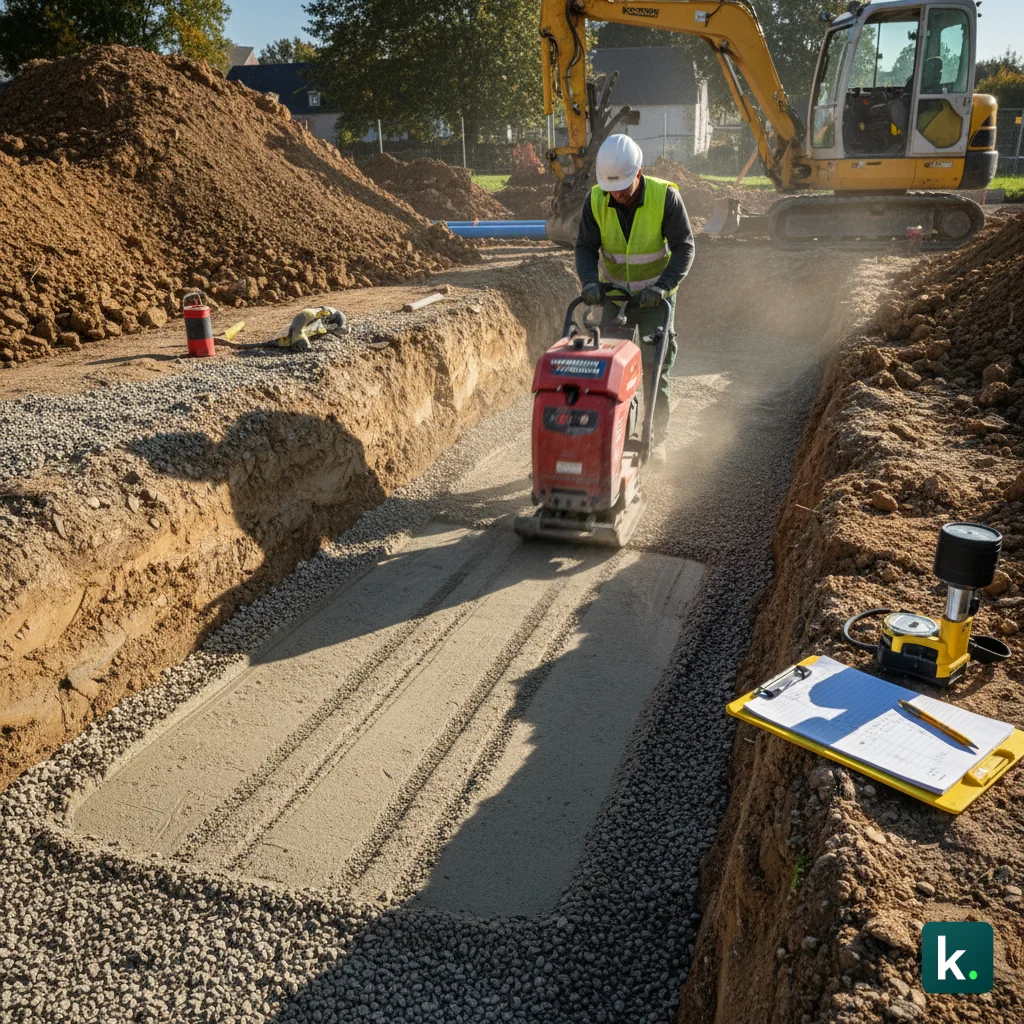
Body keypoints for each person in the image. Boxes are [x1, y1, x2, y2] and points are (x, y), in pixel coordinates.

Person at [575, 134, 695, 464]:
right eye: (611, 189)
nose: (617, 195)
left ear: (638, 174)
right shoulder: (596, 199)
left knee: (655, 368)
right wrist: (590, 282)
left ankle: (655, 439)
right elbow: (585, 247)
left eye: (624, 188)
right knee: (610, 369)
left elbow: (685, 246)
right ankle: (610, 434)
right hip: (615, 295)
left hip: (656, 297)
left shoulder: (665, 196)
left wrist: (664, 285)